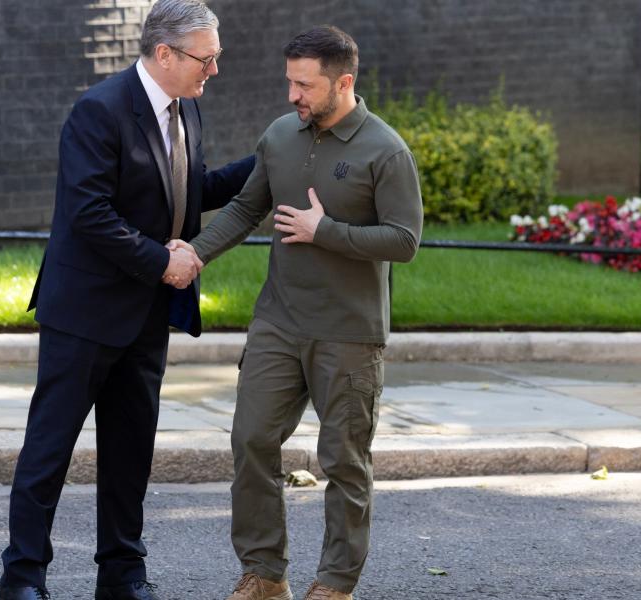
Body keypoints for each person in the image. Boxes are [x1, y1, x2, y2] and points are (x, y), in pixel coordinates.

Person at [0, 1, 254, 598]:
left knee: (130, 451)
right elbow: (88, 214)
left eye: (217, 57)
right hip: (84, 313)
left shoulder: (186, 109)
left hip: (145, 316)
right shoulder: (98, 110)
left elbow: (190, 194)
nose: (213, 70)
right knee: (49, 450)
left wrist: (265, 163)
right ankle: (22, 578)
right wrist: (163, 261)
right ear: (165, 53)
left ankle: (121, 574)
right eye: (205, 58)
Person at [180, 25, 424, 600]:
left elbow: (404, 240)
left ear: (344, 82)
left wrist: (326, 231)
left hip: (349, 334)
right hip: (278, 323)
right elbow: (246, 208)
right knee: (252, 440)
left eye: (305, 85)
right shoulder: (281, 135)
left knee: (343, 461)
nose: (294, 95)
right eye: (290, 82)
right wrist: (195, 254)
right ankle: (264, 574)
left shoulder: (386, 151)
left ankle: (335, 584)